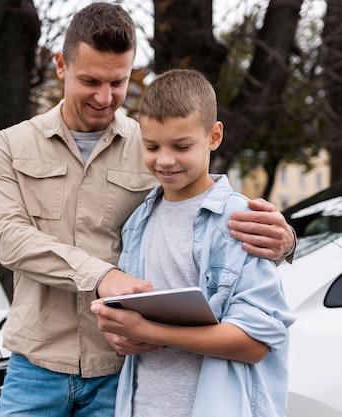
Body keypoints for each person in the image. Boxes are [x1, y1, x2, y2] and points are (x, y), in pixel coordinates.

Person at [0, 3, 295, 416]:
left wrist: (285, 240)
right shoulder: (11, 145)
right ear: (61, 65)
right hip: (36, 365)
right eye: (90, 80)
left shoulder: (151, 142)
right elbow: (10, 240)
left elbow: (203, 215)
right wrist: (103, 276)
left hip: (123, 371)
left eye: (117, 82)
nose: (104, 97)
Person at [91, 68, 295, 417]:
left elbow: (256, 342)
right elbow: (131, 321)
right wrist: (121, 332)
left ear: (214, 136)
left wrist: (152, 331)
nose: (165, 160)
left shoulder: (241, 221)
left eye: (181, 146)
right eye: (152, 146)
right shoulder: (138, 221)